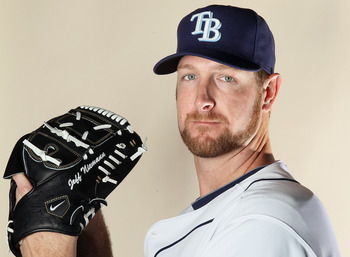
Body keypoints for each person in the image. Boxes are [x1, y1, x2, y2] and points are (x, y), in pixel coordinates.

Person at [9, 4, 341, 257]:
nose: (202, 99)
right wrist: (83, 225)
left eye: (226, 77)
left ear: (268, 93)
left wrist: (48, 248)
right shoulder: (232, 209)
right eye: (189, 76)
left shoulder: (265, 226)